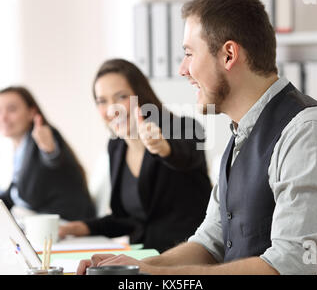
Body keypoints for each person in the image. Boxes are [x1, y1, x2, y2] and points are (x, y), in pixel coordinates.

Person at [76, 0, 317, 275]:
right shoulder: (241, 135)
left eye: (189, 53)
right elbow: (209, 242)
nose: (182, 69)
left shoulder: (310, 132)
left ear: (228, 55)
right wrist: (134, 267)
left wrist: (156, 276)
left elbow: (288, 266)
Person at [58, 58, 212, 253]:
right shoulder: (116, 146)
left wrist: (162, 147)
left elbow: (186, 156)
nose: (112, 109)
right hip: (142, 258)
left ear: (141, 96)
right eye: (102, 101)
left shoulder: (184, 128)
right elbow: (128, 220)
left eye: (121, 97)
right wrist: (80, 228)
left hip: (186, 257)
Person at [0, 86, 96, 221]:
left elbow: (54, 159)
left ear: (31, 112)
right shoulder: (21, 149)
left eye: (12, 109)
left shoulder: (43, 135)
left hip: (67, 222)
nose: (3, 117)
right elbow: (13, 193)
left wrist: (50, 151)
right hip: (44, 220)